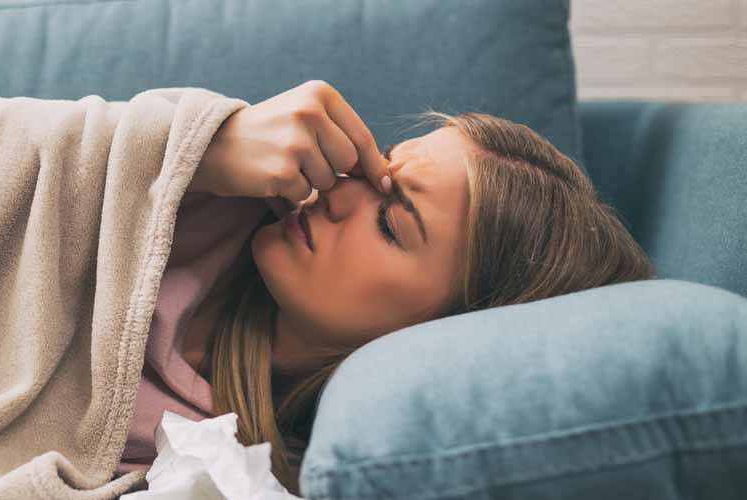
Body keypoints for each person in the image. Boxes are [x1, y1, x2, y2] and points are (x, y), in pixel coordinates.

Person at [152, 80, 654, 494]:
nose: (338, 190)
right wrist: (190, 151)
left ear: (444, 332)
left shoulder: (269, 471)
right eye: (379, 167)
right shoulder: (196, 203)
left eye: (390, 224)